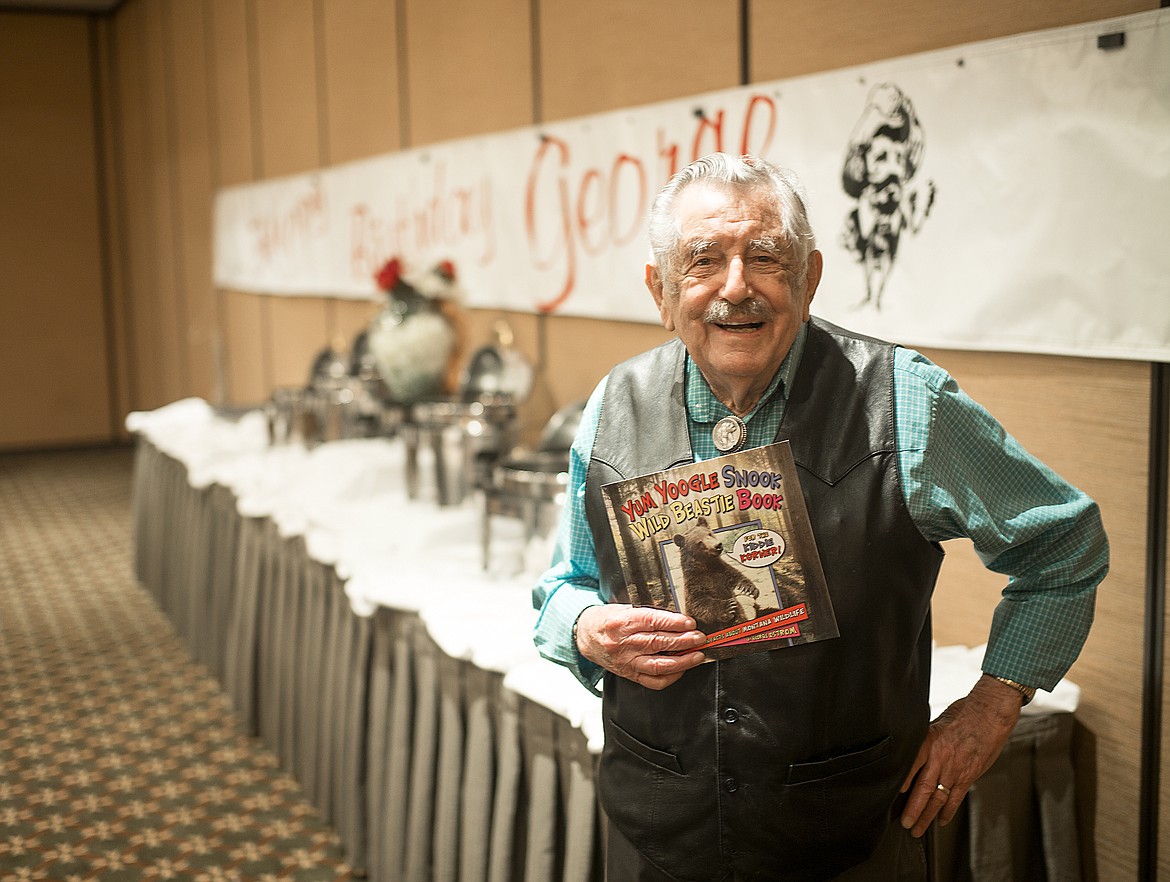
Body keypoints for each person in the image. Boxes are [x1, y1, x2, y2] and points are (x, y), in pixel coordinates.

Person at [531, 153, 1107, 881]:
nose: (735, 288)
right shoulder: (615, 404)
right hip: (656, 838)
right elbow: (563, 586)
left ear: (808, 280)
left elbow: (1064, 546)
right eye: (703, 260)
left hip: (851, 843)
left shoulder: (904, 401)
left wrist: (994, 704)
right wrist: (584, 630)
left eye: (766, 257)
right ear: (661, 289)